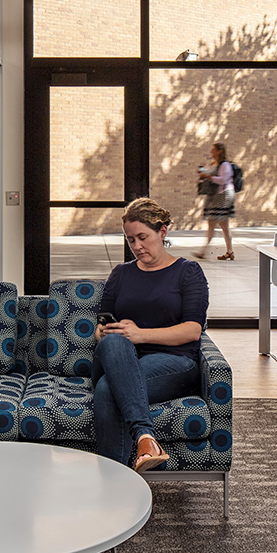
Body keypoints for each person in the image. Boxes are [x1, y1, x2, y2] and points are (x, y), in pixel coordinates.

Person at [93, 197, 208, 473]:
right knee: (112, 340)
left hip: (174, 362)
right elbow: (101, 327)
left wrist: (140, 335)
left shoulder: (187, 272)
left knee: (108, 389)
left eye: (142, 237)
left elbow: (192, 330)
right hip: (117, 358)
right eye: (131, 240)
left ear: (163, 232)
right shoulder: (120, 274)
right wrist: (105, 332)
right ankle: (146, 438)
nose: (137, 246)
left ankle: (114, 484)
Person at [193, 141, 235, 260]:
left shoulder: (225, 165)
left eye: (213, 150)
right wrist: (205, 174)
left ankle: (204, 251)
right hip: (218, 195)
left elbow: (223, 180)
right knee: (223, 224)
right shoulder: (215, 164)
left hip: (224, 195)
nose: (211, 152)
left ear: (219, 151)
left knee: (213, 222)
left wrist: (208, 176)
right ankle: (229, 251)